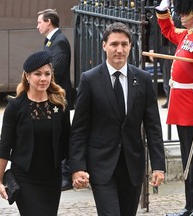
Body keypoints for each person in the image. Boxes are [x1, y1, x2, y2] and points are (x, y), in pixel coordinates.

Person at [69, 22, 165, 216]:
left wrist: (158, 165)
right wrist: (77, 166)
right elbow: (79, 128)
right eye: (114, 44)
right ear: (104, 45)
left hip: (132, 166)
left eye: (124, 44)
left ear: (130, 46)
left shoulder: (143, 79)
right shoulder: (90, 79)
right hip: (101, 165)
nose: (119, 50)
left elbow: (153, 126)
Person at [155, 0, 193, 215]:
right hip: (181, 108)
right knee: (188, 162)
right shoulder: (187, 36)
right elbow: (168, 30)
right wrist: (162, 11)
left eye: (185, 11)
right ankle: (191, 206)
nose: (181, 15)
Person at [0, 50, 70, 216]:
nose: (43, 78)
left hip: (52, 178)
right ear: (27, 76)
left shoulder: (59, 105)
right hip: (25, 177)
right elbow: (5, 145)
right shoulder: (15, 107)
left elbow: (68, 141)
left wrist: (77, 169)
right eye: (37, 74)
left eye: (47, 74)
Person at [37, 8, 73, 191]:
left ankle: (67, 174)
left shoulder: (59, 41)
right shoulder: (51, 40)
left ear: (49, 22)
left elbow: (56, 68)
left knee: (63, 133)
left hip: (59, 97)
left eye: (40, 22)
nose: (38, 26)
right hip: (54, 96)